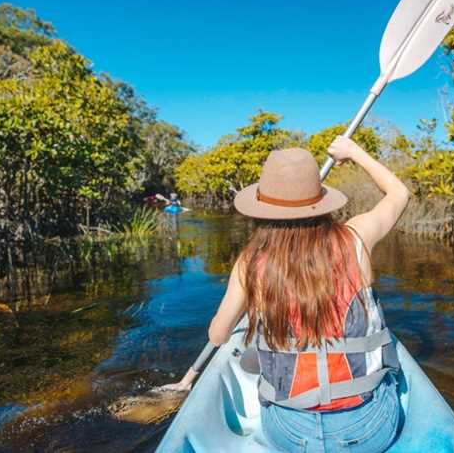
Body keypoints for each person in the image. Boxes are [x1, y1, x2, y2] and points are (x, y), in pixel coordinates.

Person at [170, 136, 410, 452]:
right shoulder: (356, 238)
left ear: (262, 208)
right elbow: (399, 193)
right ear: (320, 201)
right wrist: (354, 152)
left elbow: (218, 334)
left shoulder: (250, 262)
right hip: (368, 427)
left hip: (291, 431)